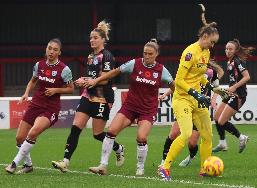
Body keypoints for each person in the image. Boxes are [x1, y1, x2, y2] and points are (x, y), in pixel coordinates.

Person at [84, 39, 175, 176]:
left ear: (156, 54)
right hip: (130, 106)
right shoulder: (135, 63)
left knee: (141, 137)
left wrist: (173, 95)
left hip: (147, 109)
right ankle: (102, 166)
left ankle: (140, 167)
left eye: (150, 54)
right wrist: (96, 80)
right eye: (145, 53)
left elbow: (174, 86)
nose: (147, 56)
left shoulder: (162, 70)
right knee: (111, 131)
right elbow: (115, 71)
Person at [158, 4, 221, 180]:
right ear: (205, 36)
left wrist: (210, 87)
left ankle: (204, 169)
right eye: (212, 41)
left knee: (207, 135)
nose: (213, 45)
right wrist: (195, 94)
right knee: (185, 134)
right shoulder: (189, 52)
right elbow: (179, 80)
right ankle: (165, 167)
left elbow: (199, 75)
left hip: (197, 99)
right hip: (183, 99)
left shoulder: (206, 52)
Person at [51, 21, 124, 173]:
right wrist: (82, 79)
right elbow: (92, 76)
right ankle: (65, 161)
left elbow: (104, 79)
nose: (92, 40)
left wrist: (86, 81)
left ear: (103, 40)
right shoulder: (91, 56)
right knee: (76, 127)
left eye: (95, 38)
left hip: (103, 97)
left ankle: (118, 148)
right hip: (88, 95)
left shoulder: (107, 56)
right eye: (91, 38)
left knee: (97, 134)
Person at [5, 38, 74, 174]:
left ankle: (14, 163)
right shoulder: (39, 65)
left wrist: (56, 90)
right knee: (19, 138)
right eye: (49, 48)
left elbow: (71, 88)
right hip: (35, 104)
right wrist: (26, 93)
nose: (51, 51)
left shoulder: (64, 69)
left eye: (55, 49)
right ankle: (28, 165)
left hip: (51, 108)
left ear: (59, 52)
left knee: (33, 132)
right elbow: (32, 81)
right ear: (46, 49)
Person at [160, 60, 224, 168]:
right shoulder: (190, 69)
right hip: (186, 104)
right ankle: (164, 161)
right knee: (174, 133)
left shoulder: (211, 73)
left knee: (192, 143)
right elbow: (178, 83)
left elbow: (215, 87)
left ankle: (191, 156)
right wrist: (166, 94)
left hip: (199, 107)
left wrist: (214, 99)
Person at [212, 39, 253, 153]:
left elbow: (247, 77)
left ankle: (241, 137)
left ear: (235, 50)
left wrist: (234, 87)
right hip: (230, 94)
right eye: (226, 49)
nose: (228, 51)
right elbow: (233, 79)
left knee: (221, 122)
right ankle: (222, 143)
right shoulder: (229, 62)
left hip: (238, 95)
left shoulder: (237, 61)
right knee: (216, 117)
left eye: (230, 49)